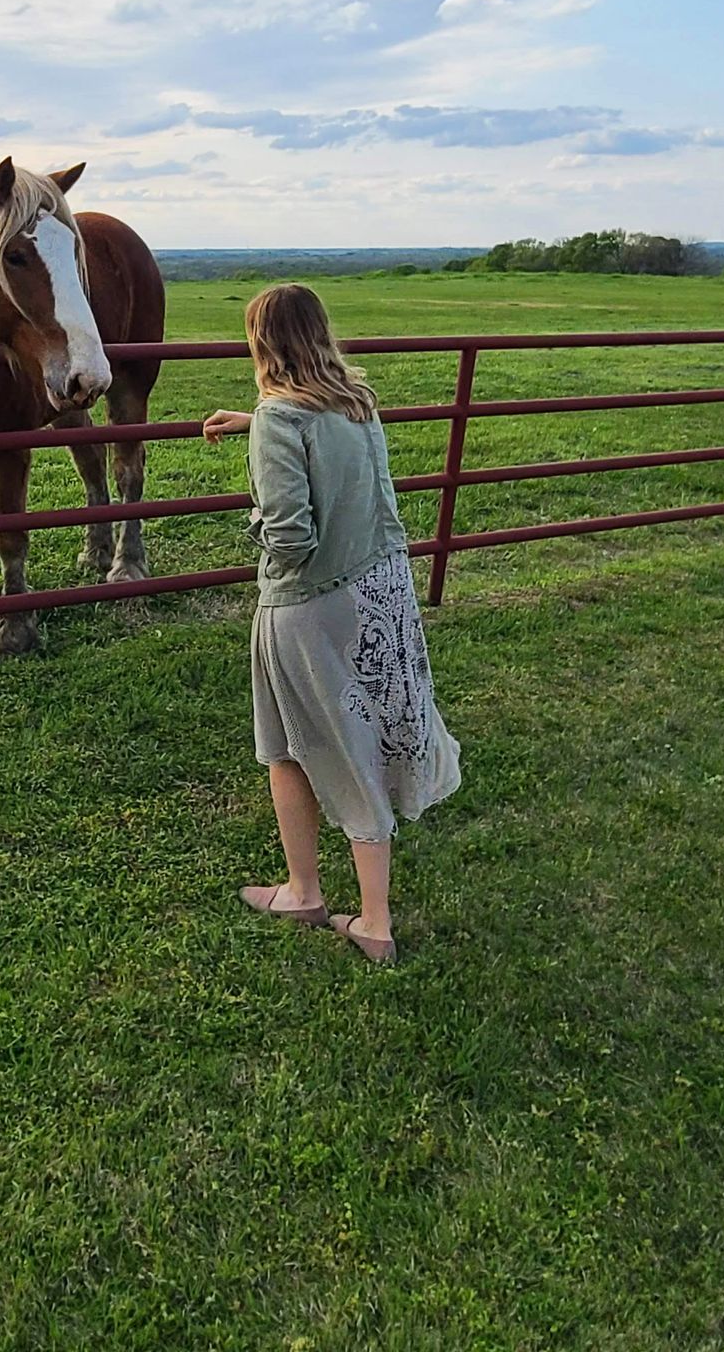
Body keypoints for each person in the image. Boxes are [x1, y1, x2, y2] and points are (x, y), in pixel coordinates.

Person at [203, 284, 460, 965]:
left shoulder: (280, 421)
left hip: (308, 605)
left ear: (261, 343)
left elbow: (289, 537)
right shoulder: (357, 401)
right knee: (364, 737)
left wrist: (255, 511)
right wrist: (248, 424)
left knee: (292, 745)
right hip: (381, 591)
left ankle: (327, 900)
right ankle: (352, 906)